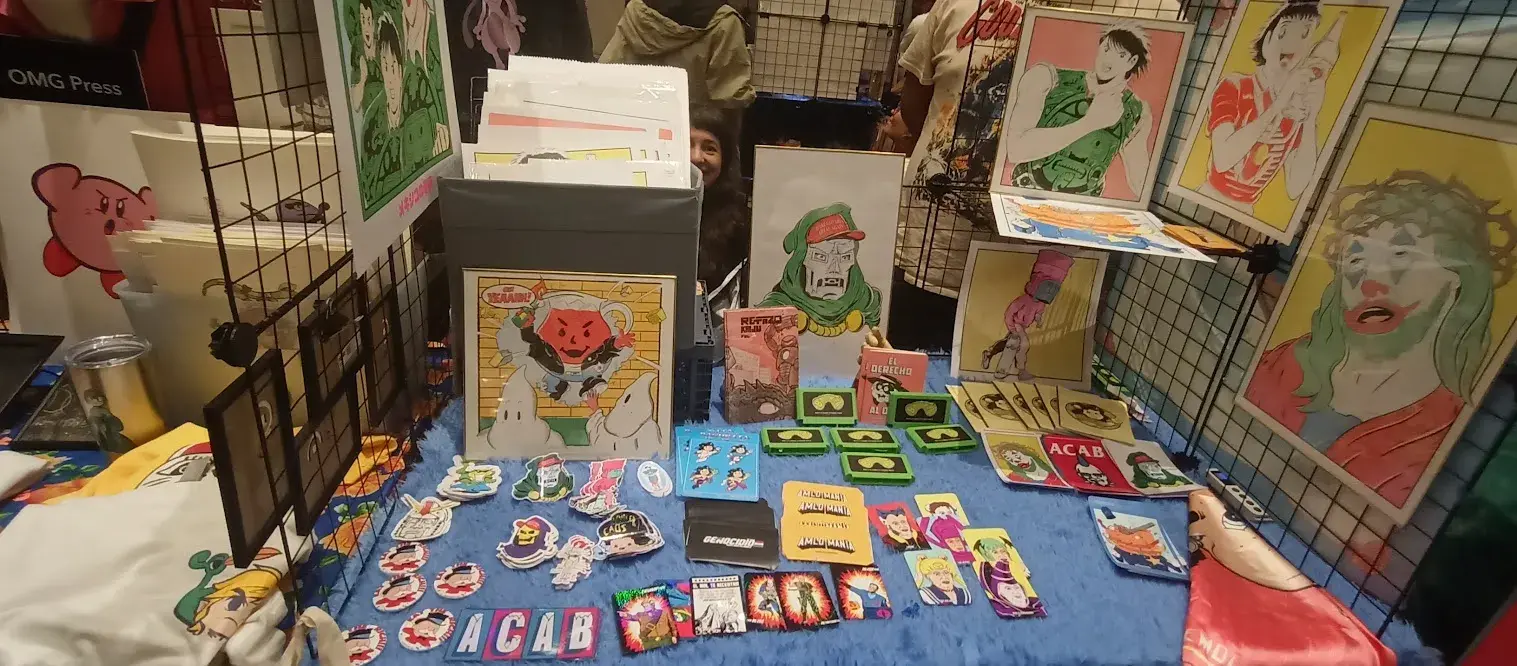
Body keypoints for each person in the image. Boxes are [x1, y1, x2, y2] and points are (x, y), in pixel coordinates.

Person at [1244, 171, 1514, 508]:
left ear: (1457, 278)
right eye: (1356, 260)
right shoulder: (1280, 366)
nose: (1371, 281)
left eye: (1402, 255)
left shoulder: (1445, 432)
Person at [892, 0, 1028, 351]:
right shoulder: (954, 5)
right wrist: (943, 153)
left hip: (1022, 254)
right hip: (931, 243)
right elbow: (914, 102)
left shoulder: (1092, 13)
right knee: (905, 360)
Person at [1204, 0, 1337, 212]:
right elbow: (1223, 160)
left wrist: (1311, 119)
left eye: (1304, 34)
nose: (1291, 44)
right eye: (1284, 32)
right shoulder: (1235, 86)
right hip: (1208, 196)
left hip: (1246, 212)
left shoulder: (1296, 111)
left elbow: (1296, 188)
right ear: (1266, 39)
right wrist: (1279, 103)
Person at [1000, 23, 1153, 198]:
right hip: (1026, 193)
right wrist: (1090, 123)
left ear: (1132, 61)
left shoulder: (1136, 111)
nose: (1108, 59)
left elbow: (1139, 178)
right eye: (1106, 50)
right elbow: (1016, 149)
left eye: (1121, 55)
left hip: (1083, 204)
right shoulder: (1046, 78)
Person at [599, 0, 755, 108]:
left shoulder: (637, 11)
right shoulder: (725, 23)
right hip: (695, 137)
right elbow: (731, 97)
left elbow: (605, 74)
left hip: (637, 128)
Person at [690, 106, 751, 307]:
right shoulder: (647, 212)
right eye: (687, 145)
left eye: (710, 148)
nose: (696, 157)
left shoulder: (742, 223)